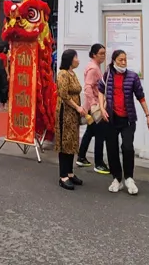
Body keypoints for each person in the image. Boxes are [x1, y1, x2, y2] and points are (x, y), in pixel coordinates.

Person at [100, 49, 149, 196]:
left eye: (125, 60)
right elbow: (100, 89)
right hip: (111, 117)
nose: (123, 62)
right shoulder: (108, 75)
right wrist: (101, 107)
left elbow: (140, 97)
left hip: (128, 119)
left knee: (127, 147)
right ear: (114, 61)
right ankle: (117, 178)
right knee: (112, 148)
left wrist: (148, 115)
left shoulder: (132, 77)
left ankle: (129, 178)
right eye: (120, 60)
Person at [55, 49, 86, 191]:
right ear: (70, 59)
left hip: (73, 113)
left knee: (72, 141)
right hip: (65, 112)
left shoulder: (72, 73)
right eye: (76, 57)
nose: (78, 60)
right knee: (64, 142)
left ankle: (70, 172)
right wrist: (77, 107)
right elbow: (64, 95)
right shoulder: (63, 74)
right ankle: (63, 176)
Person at [76, 43, 109, 174]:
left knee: (90, 131)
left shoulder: (94, 67)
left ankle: (81, 156)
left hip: (92, 105)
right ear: (94, 54)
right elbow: (88, 87)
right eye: (101, 53)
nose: (103, 56)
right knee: (100, 134)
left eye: (104, 53)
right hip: (95, 106)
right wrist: (94, 104)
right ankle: (99, 163)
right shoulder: (93, 69)